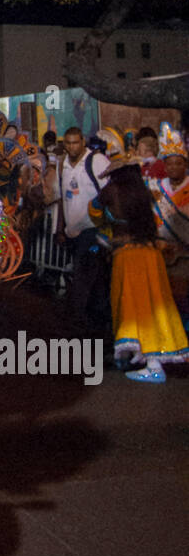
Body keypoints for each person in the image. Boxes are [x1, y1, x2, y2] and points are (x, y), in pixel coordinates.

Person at [91, 148, 188, 381]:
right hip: (151, 254)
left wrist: (106, 227)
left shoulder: (111, 190)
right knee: (157, 305)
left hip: (128, 257)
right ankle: (146, 357)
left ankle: (153, 365)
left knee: (135, 309)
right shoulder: (145, 192)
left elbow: (93, 211)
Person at [55, 125, 110, 331]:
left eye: (76, 142)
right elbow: (62, 198)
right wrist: (60, 228)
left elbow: (109, 193)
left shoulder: (96, 162)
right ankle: (97, 325)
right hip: (73, 234)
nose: (72, 146)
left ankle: (87, 325)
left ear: (83, 142)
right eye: (68, 143)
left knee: (85, 280)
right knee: (93, 282)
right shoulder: (64, 165)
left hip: (93, 232)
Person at [148, 123, 189, 324]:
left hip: (185, 256)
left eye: (178, 163)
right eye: (169, 164)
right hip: (160, 253)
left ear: (185, 165)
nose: (173, 167)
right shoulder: (156, 189)